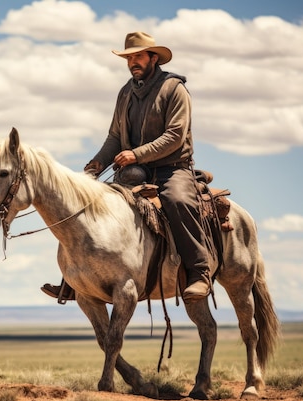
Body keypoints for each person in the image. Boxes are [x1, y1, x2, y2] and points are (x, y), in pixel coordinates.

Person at [41, 32, 211, 303]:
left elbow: (175, 135)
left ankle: (199, 272)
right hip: (133, 173)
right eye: (129, 57)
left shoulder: (174, 89)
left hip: (171, 168)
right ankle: (76, 280)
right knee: (90, 206)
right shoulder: (126, 93)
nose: (133, 62)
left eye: (138, 56)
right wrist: (95, 166)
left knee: (178, 200)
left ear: (153, 58)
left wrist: (137, 154)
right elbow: (114, 137)